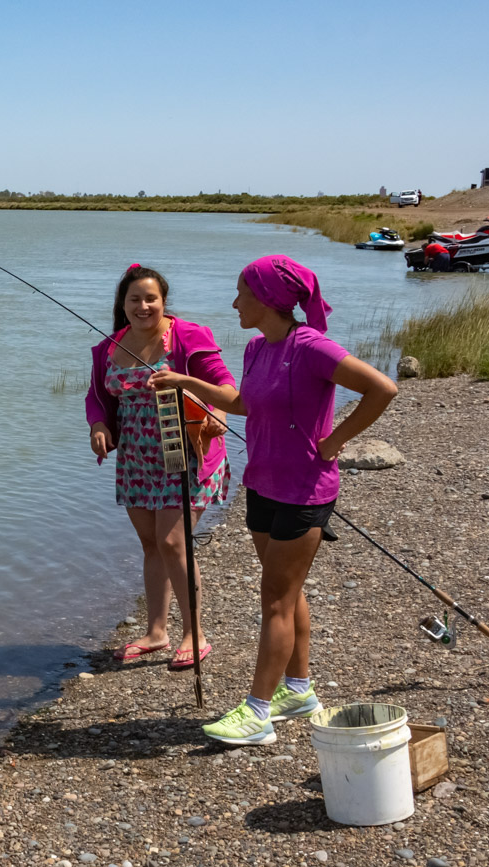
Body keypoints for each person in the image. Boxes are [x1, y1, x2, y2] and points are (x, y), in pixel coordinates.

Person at [150, 255, 396, 745]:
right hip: (261, 484)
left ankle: (258, 712)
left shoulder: (311, 347)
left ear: (267, 299)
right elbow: (242, 404)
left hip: (304, 491)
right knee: (287, 591)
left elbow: (381, 388)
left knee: (276, 600)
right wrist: (185, 383)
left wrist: (334, 441)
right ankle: (298, 691)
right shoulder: (257, 347)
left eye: (241, 293)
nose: (234, 301)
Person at [85, 264, 235, 671]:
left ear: (163, 302)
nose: (143, 306)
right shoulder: (109, 347)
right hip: (136, 459)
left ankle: (194, 634)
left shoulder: (188, 336)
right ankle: (156, 631)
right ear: (123, 304)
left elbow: (225, 387)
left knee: (173, 542)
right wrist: (98, 424)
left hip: (186, 453)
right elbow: (98, 398)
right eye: (134, 299)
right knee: (151, 543)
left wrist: (217, 413)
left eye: (151, 298)